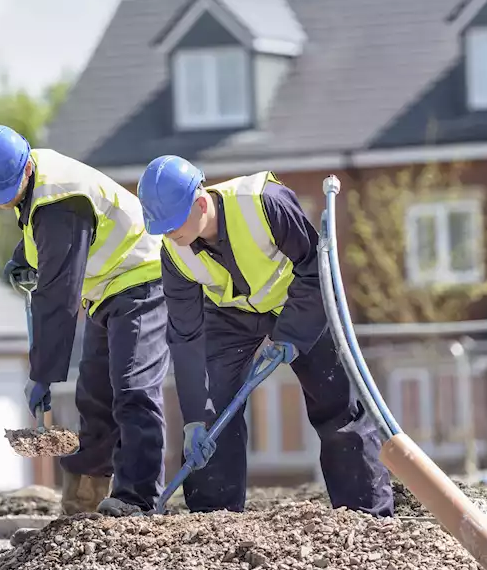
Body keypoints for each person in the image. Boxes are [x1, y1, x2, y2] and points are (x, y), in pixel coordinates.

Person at [136, 155, 393, 516]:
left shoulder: (264, 203)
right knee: (213, 414)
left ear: (200, 202)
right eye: (160, 227)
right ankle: (214, 516)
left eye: (173, 223)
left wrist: (291, 333)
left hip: (300, 303)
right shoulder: (174, 252)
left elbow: (316, 269)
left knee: (338, 408)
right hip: (229, 316)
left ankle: (366, 513)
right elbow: (185, 334)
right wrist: (194, 416)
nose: (168, 233)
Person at [0, 125, 171, 517]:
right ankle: (82, 507)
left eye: (4, 195)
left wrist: (42, 373)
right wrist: (23, 257)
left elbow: (58, 299)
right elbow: (43, 234)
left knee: (133, 388)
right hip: (107, 289)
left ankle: (138, 501)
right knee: (94, 396)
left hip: (142, 279)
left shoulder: (61, 200)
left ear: (25, 170)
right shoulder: (34, 182)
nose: (0, 205)